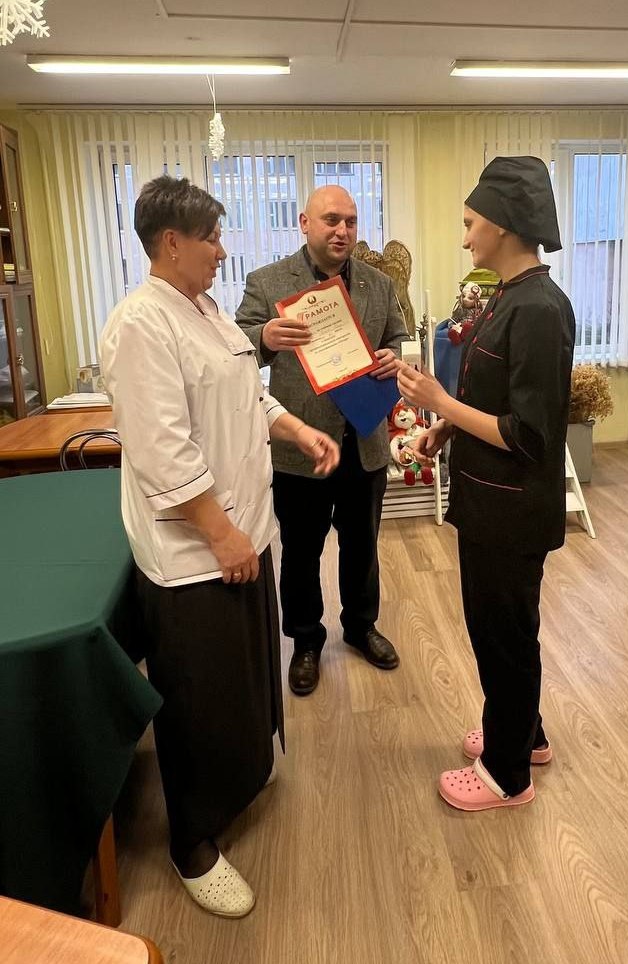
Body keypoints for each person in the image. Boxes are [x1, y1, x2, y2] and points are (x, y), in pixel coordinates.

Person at [100, 175, 339, 916]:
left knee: (244, 677)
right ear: (171, 243)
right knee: (199, 696)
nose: (222, 251)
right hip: (198, 552)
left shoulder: (204, 311)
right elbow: (162, 452)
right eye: (211, 238)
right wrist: (220, 532)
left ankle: (242, 777)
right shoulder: (141, 325)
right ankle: (192, 843)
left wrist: (296, 427)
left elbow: (247, 394)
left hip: (245, 534)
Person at [398, 156, 575, 812]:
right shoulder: (506, 297)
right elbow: (489, 396)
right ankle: (525, 734)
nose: (465, 236)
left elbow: (528, 433)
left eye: (471, 223)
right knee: (503, 631)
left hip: (511, 513)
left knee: (504, 637)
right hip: (488, 503)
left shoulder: (540, 311)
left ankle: (507, 774)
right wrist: (444, 430)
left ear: (502, 224)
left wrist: (440, 404)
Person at [235, 185, 408, 696]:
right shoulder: (268, 282)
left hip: (364, 441)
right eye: (331, 220)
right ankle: (306, 640)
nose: (342, 231)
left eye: (351, 221)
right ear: (304, 223)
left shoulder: (379, 284)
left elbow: (396, 338)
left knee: (362, 546)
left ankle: (360, 627)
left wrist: (393, 356)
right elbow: (237, 349)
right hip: (300, 446)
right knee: (301, 550)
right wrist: (265, 337)